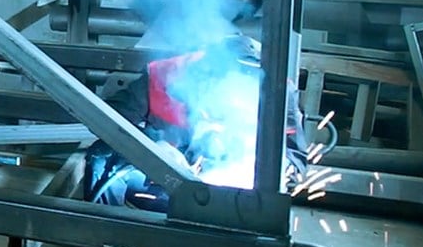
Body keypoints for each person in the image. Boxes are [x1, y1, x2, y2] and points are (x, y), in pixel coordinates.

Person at [84, 34, 309, 211]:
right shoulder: (167, 75)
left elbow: (296, 160)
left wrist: (263, 171)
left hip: (235, 200)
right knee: (102, 157)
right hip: (166, 182)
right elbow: (110, 122)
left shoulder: (278, 92)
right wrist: (153, 148)